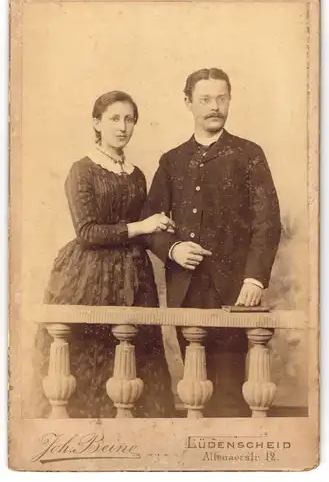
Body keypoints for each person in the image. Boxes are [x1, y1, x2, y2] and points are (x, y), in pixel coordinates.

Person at [141, 68, 281, 417]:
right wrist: (173, 248)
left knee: (232, 395)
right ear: (187, 102)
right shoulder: (172, 161)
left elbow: (268, 223)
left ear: (230, 100)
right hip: (186, 292)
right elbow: (150, 224)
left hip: (236, 293)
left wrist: (254, 278)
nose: (214, 106)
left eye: (221, 98)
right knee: (193, 393)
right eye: (204, 99)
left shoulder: (249, 155)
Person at [33, 90, 176, 419]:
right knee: (90, 356)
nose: (122, 126)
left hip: (133, 278)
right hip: (88, 275)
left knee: (136, 357)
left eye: (129, 119)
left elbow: (146, 226)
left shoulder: (138, 174)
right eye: (114, 118)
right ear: (97, 123)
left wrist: (164, 229)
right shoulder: (81, 170)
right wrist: (141, 227)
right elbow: (86, 232)